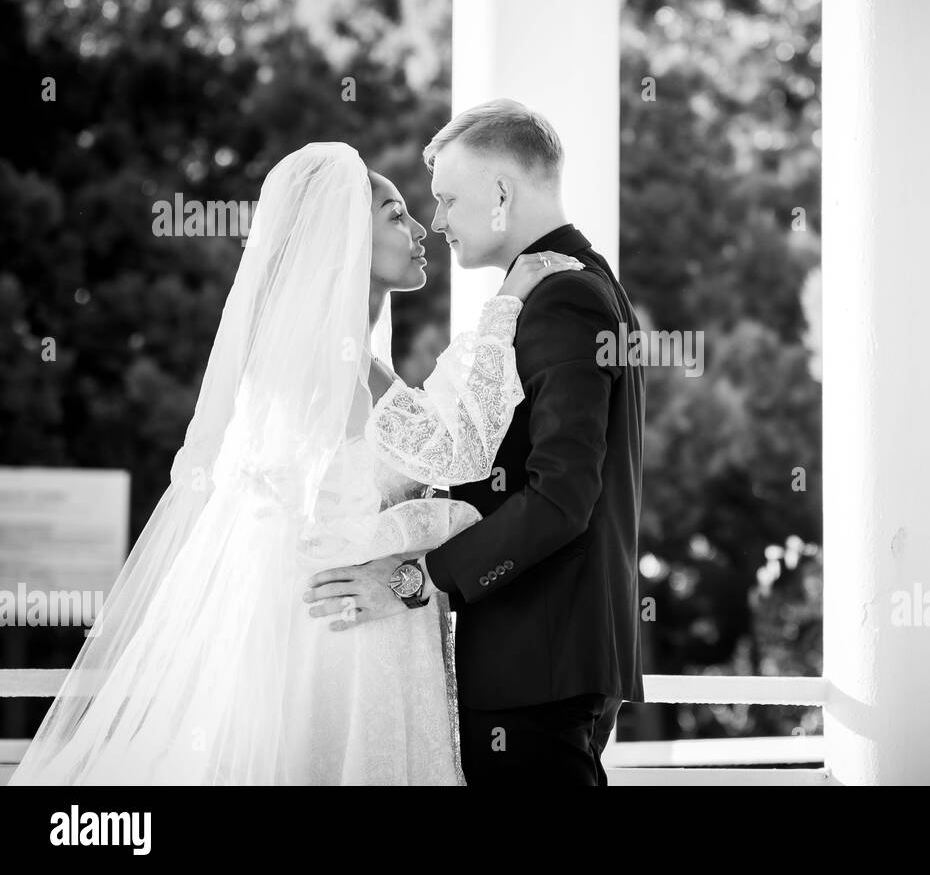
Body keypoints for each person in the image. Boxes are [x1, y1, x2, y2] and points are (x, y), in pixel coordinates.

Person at [10, 141, 580, 784]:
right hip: (340, 645)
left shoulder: (345, 362)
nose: (421, 227)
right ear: (344, 242)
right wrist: (502, 312)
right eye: (395, 215)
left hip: (343, 630)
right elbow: (458, 447)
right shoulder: (331, 366)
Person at [309, 101, 647, 785]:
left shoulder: (562, 299)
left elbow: (560, 497)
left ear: (500, 194)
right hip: (525, 661)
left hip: (539, 665)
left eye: (446, 199)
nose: (436, 222)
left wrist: (418, 580)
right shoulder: (558, 292)